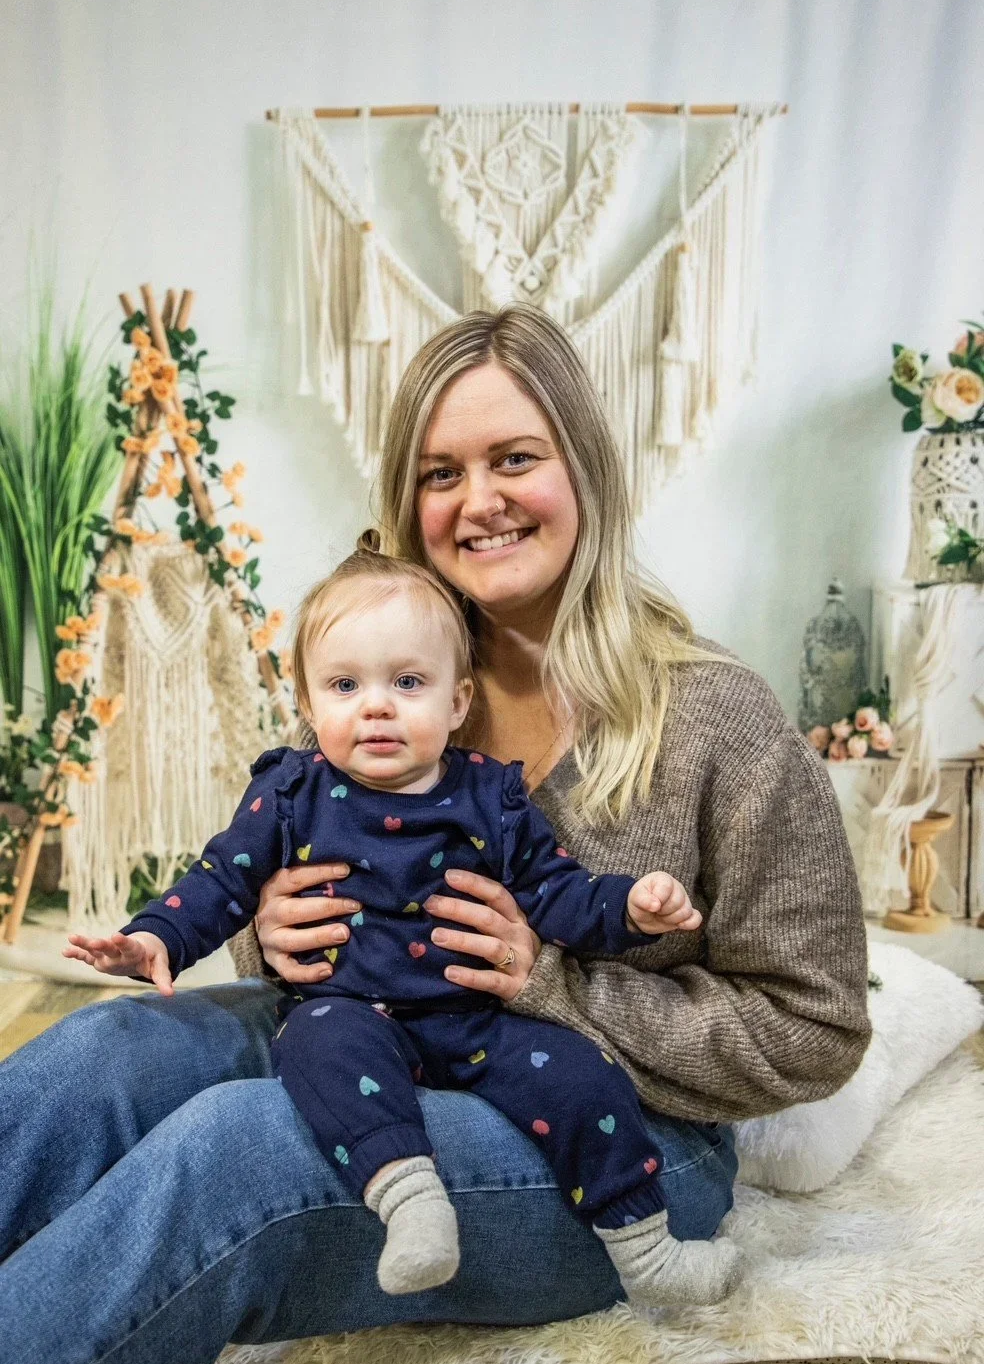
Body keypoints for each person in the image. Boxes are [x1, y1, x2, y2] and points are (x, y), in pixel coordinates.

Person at [0, 304, 870, 1364]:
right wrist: (273, 927)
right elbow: (277, 857)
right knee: (110, 1054)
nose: (479, 499)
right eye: (441, 472)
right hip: (373, 1029)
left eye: (515, 457)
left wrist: (556, 985)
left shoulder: (720, 719)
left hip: (617, 1135)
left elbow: (815, 1027)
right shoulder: (382, 658)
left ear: (586, 467)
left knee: (235, 1148)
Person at [64, 545, 742, 1310]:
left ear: (457, 703)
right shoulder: (290, 793)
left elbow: (558, 894)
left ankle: (648, 1252)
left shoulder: (492, 799)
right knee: (316, 1049)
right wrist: (155, 938)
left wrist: (631, 908)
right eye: (345, 685)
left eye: (408, 683)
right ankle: (413, 1206)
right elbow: (222, 881)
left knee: (584, 1075)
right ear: (309, 702)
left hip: (482, 1019)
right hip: (351, 1013)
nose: (377, 706)